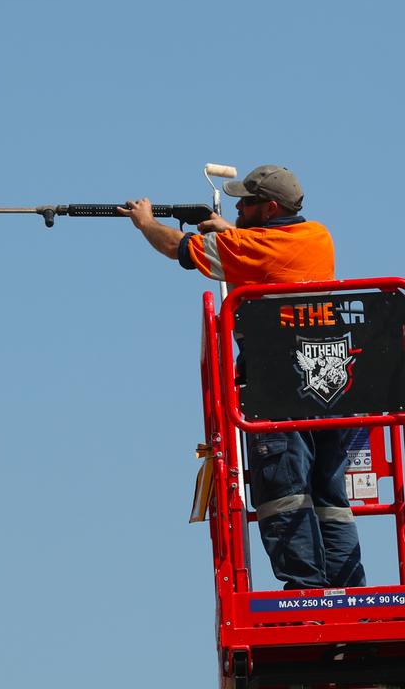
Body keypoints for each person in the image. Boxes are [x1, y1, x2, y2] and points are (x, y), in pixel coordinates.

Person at [118, 165, 365, 590]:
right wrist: (233, 232)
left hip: (275, 387)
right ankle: (349, 592)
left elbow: (176, 247)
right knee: (329, 496)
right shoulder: (318, 236)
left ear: (269, 208)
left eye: (246, 202)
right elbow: (268, 254)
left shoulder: (245, 248)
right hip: (326, 386)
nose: (237, 206)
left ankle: (306, 596)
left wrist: (145, 222)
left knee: (283, 492)